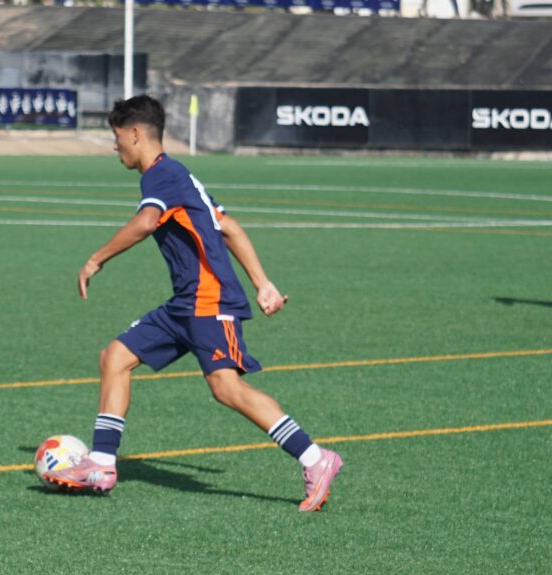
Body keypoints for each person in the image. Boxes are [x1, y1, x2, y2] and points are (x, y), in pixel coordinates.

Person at [44, 95, 343, 513]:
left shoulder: (161, 175)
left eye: (116, 137)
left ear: (135, 134)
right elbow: (230, 227)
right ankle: (102, 464)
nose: (115, 147)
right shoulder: (180, 177)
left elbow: (147, 222)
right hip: (185, 304)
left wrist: (97, 258)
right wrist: (264, 285)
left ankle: (316, 459)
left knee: (226, 387)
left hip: (209, 300)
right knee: (114, 357)